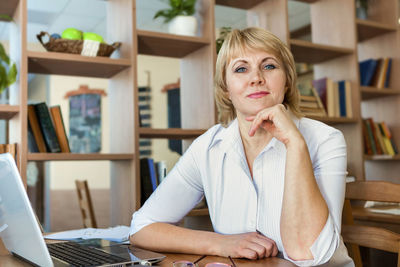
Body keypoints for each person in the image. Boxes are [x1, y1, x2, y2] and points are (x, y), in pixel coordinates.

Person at [129, 27, 354, 267]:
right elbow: (142, 227)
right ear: (226, 88)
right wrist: (221, 243)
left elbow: (306, 253)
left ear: (287, 81)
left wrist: (295, 144)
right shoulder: (208, 147)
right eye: (241, 69)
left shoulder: (325, 139)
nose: (256, 78)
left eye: (269, 66)